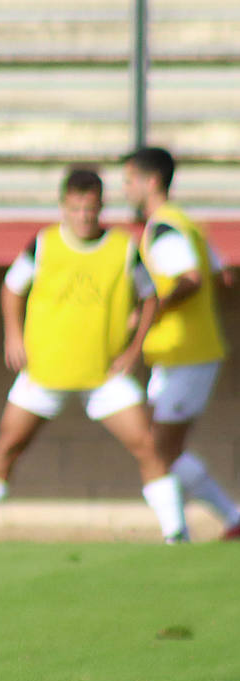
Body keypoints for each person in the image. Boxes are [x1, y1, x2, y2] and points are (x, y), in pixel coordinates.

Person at [0, 167, 187, 544]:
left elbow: (150, 296)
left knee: (147, 445)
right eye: (76, 209)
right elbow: (12, 288)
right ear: (63, 206)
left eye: (91, 209)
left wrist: (134, 348)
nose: (83, 217)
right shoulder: (44, 244)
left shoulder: (122, 247)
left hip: (103, 376)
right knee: (9, 445)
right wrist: (13, 335)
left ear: (101, 207)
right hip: (45, 372)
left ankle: (177, 534)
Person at [122, 146, 239, 539]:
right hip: (174, 355)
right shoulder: (185, 222)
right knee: (160, 449)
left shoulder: (164, 227)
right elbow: (224, 273)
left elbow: (191, 278)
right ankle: (230, 519)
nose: (124, 190)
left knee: (159, 452)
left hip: (188, 354)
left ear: (150, 182)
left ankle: (180, 533)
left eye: (128, 181)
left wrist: (150, 310)